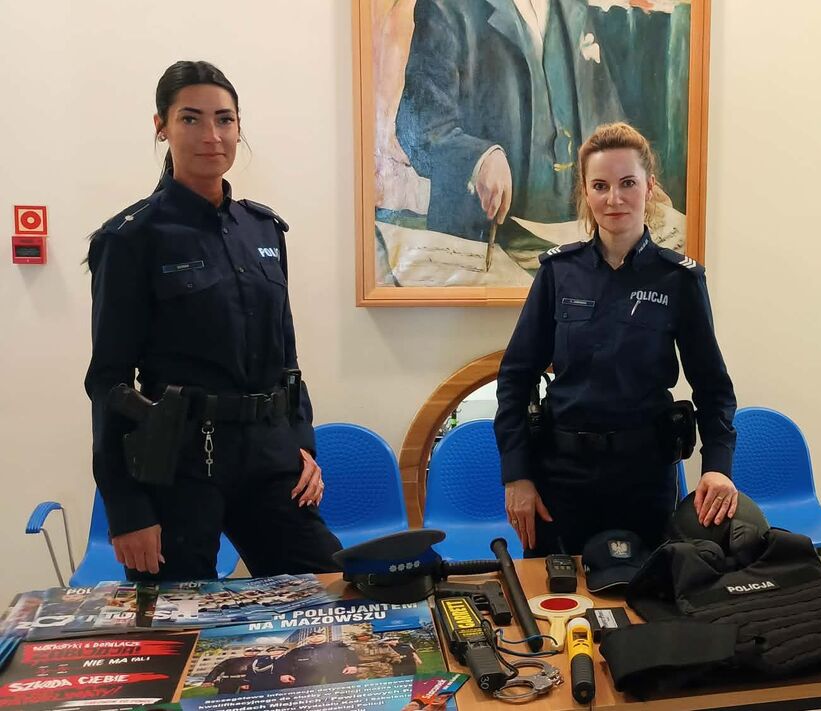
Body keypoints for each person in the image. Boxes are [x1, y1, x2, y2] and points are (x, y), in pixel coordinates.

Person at [84, 60, 343, 581]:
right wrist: (127, 509)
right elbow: (108, 381)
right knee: (176, 618)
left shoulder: (263, 230)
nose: (212, 135)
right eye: (191, 119)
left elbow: (286, 356)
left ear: (239, 127)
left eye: (224, 119)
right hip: (179, 463)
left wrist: (302, 443)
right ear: (161, 126)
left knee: (330, 592)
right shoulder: (131, 238)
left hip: (268, 457)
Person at [494, 122, 738, 556]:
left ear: (649, 187)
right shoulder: (558, 273)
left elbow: (713, 387)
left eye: (628, 183)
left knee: (647, 591)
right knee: (554, 591)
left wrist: (717, 467)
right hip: (561, 477)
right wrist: (517, 475)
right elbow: (515, 378)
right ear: (585, 192)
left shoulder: (678, 280)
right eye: (600, 186)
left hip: (645, 479)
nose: (614, 199)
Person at [396, 0, 624, 242]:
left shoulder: (574, 8)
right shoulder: (447, 6)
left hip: (576, 241)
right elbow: (419, 127)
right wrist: (479, 158)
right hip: (484, 244)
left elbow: (607, 118)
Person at [277, 630, 359, 687]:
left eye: (319, 636)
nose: (315, 638)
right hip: (307, 680)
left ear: (325, 637)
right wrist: (284, 674)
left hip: (339, 677)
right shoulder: (298, 650)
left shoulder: (338, 645)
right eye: (312, 637)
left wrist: (353, 666)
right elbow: (284, 661)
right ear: (307, 639)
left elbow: (351, 654)